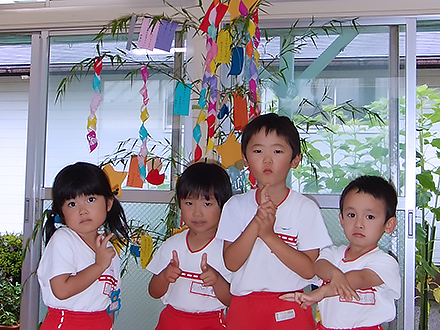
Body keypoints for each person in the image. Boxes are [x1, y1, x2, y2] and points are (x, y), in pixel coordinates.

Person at [216, 113, 332, 330]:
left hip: (292, 305)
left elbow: (309, 270)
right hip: (244, 308)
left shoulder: (305, 208)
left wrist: (268, 235)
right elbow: (231, 262)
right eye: (258, 151)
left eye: (277, 151)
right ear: (245, 157)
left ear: (295, 160)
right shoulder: (235, 206)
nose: (267, 160)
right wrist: (256, 224)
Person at [281, 175, 401, 330]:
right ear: (342, 219)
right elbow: (319, 266)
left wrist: (322, 292)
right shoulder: (333, 254)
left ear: (389, 225)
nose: (359, 224)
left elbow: (359, 279)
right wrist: (334, 275)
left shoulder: (385, 262)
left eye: (369, 217)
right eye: (351, 215)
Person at [37, 162, 130, 330]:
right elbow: (62, 290)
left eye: (91, 199)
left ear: (108, 203)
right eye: (72, 204)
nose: (83, 210)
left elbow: (110, 298)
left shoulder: (107, 249)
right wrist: (99, 265)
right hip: (67, 323)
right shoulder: (63, 239)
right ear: (61, 212)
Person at [147, 162, 233, 330]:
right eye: (189, 203)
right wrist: (164, 276)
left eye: (207, 204)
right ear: (179, 204)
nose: (197, 213)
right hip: (171, 321)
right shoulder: (171, 246)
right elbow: (153, 292)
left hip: (212, 322)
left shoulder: (228, 249)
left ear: (224, 207)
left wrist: (217, 281)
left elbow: (232, 300)